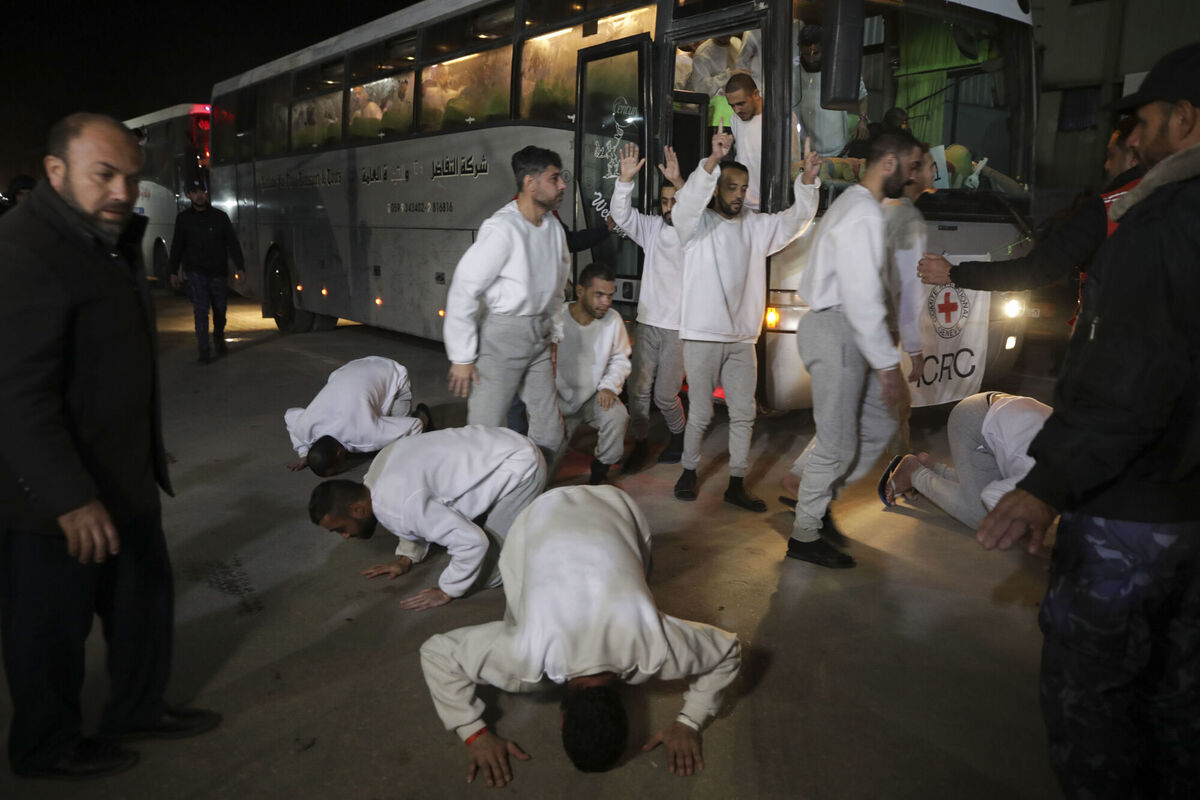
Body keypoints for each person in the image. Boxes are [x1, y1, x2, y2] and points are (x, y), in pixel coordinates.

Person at [977, 42, 1200, 797]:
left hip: (1134, 511)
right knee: (1178, 699)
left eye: (1143, 119)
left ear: (1184, 118)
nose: (1134, 135)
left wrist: (1048, 487)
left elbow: (1128, 381)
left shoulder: (1157, 224)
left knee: (1096, 703)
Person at [0, 113, 219, 781]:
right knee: (50, 627)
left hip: (122, 477)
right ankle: (46, 746)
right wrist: (69, 499)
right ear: (56, 171)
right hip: (52, 499)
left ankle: (137, 708)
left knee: (143, 603)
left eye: (131, 176)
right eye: (104, 175)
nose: (123, 191)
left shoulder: (102, 236)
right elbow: (16, 396)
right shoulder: (25, 251)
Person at [419, 485, 740, 784]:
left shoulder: (657, 647)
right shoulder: (524, 655)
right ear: (562, 719)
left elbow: (728, 650)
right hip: (567, 511)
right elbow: (437, 653)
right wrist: (473, 733)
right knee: (520, 608)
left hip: (611, 506)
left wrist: (690, 721)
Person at [785, 130, 923, 569]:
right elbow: (862, 296)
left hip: (843, 330)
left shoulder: (857, 206)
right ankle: (805, 534)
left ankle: (814, 493)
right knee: (838, 445)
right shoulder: (862, 213)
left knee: (879, 420)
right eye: (911, 166)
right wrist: (888, 366)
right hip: (838, 329)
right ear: (889, 164)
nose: (913, 175)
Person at [671, 128, 821, 510]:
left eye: (743, 188)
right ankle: (688, 470)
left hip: (741, 339)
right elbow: (685, 205)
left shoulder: (756, 226)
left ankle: (736, 483)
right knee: (700, 412)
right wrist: (712, 161)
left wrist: (807, 181)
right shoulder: (696, 224)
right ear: (715, 189)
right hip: (702, 335)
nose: (739, 194)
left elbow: (794, 221)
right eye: (731, 187)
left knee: (744, 413)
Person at [308, 425, 546, 611]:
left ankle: (548, 525)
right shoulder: (377, 470)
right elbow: (411, 511)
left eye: (341, 528)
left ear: (357, 510)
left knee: (489, 574)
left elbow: (472, 542)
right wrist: (406, 558)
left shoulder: (400, 508)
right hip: (500, 441)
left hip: (522, 465)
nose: (345, 535)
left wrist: (447, 590)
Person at [917, 116, 1144, 293]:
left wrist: (954, 274)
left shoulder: (1108, 210)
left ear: (1133, 157)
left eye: (1112, 156)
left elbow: (1036, 269)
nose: (1106, 165)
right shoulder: (1161, 200)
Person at [444, 146, 570, 461]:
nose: (562, 185)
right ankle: (473, 486)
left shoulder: (554, 228)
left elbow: (557, 288)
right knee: (483, 429)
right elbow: (464, 288)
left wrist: (553, 333)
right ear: (531, 183)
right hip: (504, 338)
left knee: (551, 432)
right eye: (554, 178)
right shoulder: (502, 228)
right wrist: (462, 356)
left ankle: (531, 485)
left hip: (539, 337)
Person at [610, 144, 687, 472]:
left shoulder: (697, 232)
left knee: (666, 396)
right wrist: (625, 181)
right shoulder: (653, 228)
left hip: (679, 328)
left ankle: (679, 436)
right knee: (638, 390)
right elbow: (622, 215)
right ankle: (639, 444)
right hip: (648, 322)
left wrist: (681, 184)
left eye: (675, 201)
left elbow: (703, 213)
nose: (669, 208)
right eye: (665, 202)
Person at [880, 393, 1051, 529]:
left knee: (1005, 489)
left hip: (1000, 409)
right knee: (983, 515)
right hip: (972, 420)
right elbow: (990, 495)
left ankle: (931, 467)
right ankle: (913, 472)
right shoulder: (1041, 475)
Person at [283, 356, 432, 476]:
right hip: (349, 369)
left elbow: (415, 425)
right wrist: (304, 453)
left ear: (340, 452)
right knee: (376, 421)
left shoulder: (366, 434)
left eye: (337, 470)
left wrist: (399, 459)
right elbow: (289, 415)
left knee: (395, 443)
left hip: (391, 372)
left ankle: (423, 414)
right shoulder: (304, 426)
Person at [554, 263, 631, 485]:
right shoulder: (557, 318)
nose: (606, 302)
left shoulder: (613, 319)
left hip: (592, 397)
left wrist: (609, 386)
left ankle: (601, 468)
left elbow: (620, 358)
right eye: (599, 295)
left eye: (610, 295)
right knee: (544, 468)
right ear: (580, 291)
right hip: (557, 400)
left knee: (617, 415)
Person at [881, 142, 935, 451]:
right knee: (897, 406)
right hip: (879, 329)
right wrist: (914, 348)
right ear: (913, 174)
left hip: (862, 325)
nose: (935, 171)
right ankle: (901, 470)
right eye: (929, 165)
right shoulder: (909, 219)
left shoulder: (883, 207)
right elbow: (908, 289)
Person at [168, 178, 244, 364]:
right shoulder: (184, 219)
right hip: (195, 272)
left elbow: (232, 243)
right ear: (188, 195)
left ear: (206, 193)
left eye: (202, 191)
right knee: (201, 309)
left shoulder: (220, 217)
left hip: (217, 271)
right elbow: (177, 246)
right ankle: (203, 348)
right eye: (195, 192)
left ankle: (218, 336)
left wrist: (240, 266)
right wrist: (173, 271)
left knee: (220, 310)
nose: (199, 195)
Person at [724, 73, 802, 211]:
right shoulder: (735, 119)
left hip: (771, 205)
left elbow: (793, 162)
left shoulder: (781, 117)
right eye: (732, 106)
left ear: (756, 94)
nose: (737, 110)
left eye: (741, 103)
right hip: (743, 204)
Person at [794, 24, 870, 158]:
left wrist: (863, 120)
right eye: (805, 54)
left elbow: (862, 96)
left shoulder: (841, 67)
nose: (810, 59)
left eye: (815, 53)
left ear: (825, 47)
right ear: (798, 47)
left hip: (838, 150)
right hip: (806, 151)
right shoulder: (793, 70)